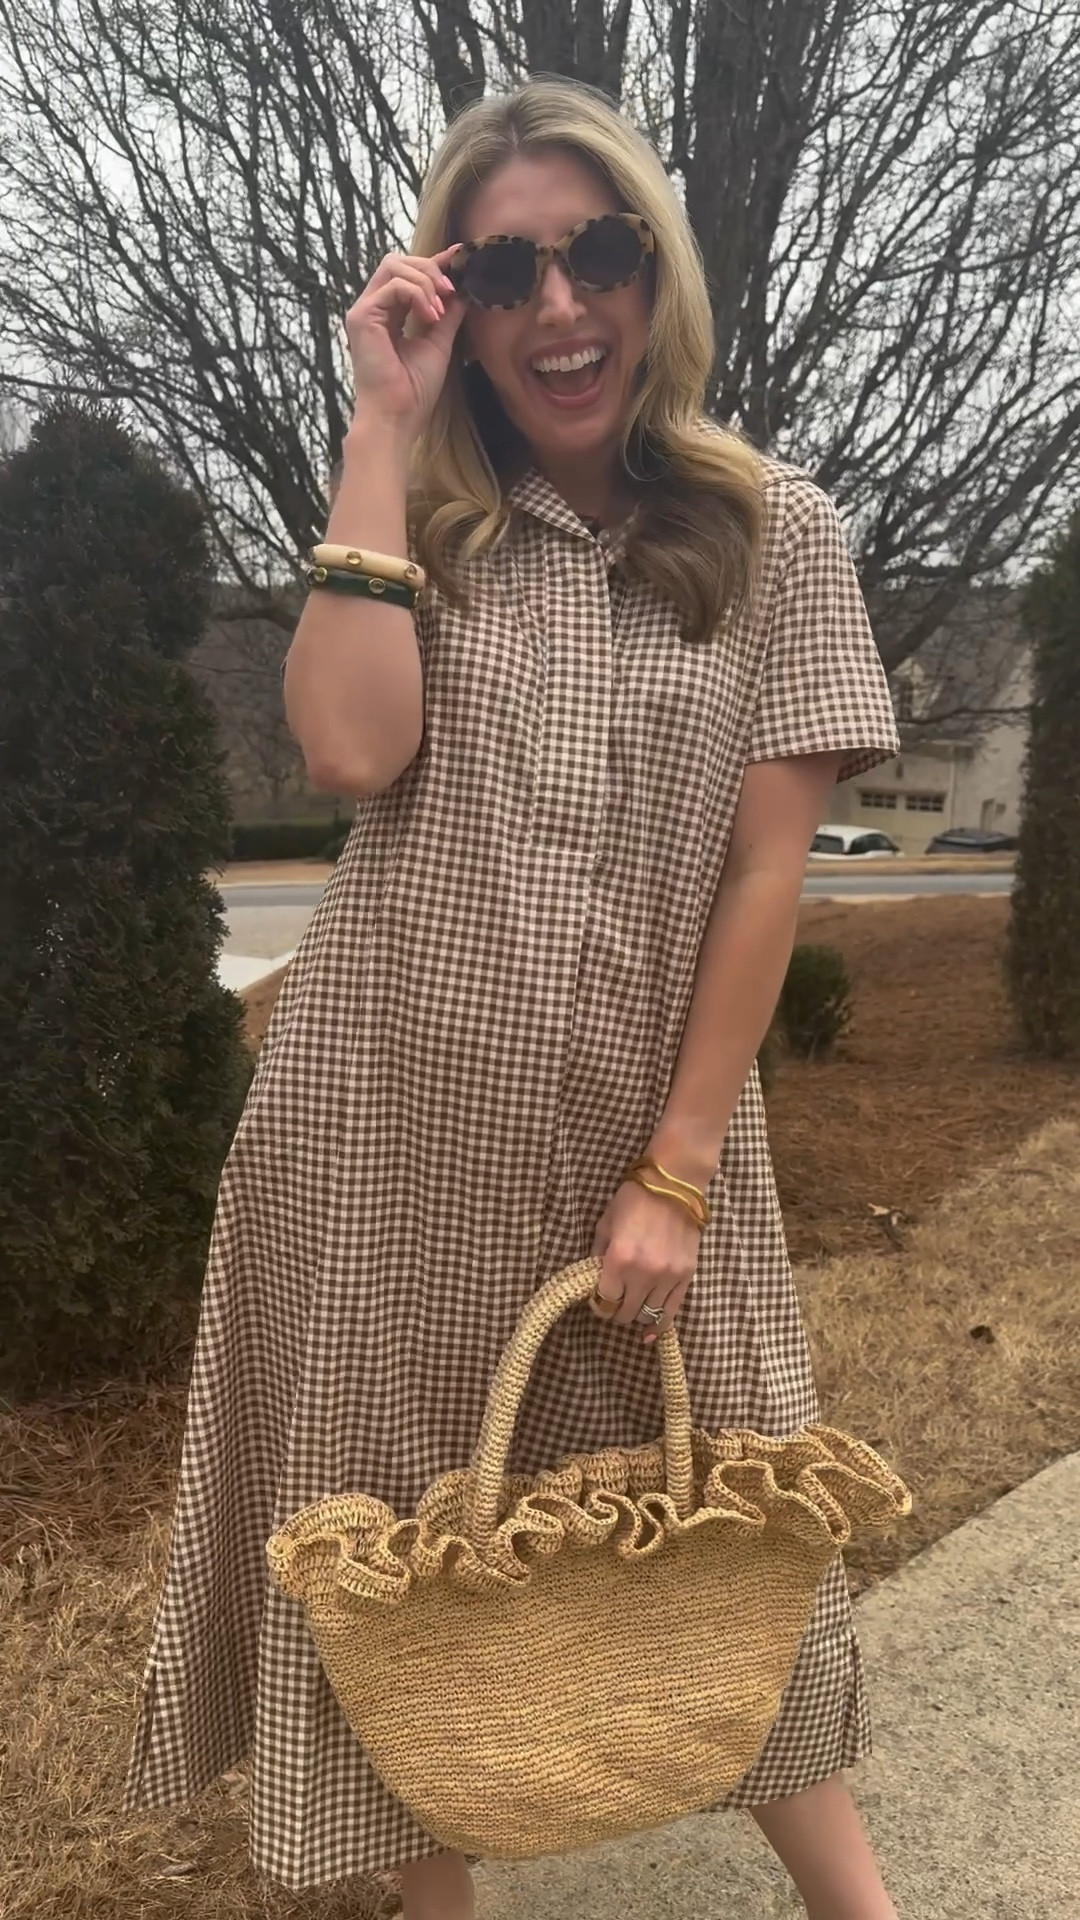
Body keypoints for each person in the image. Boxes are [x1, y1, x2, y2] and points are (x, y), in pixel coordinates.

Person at [124, 76, 902, 1920]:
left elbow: (765, 875)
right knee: (403, 1557)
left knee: (730, 1510)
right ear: (453, 302)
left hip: (651, 1133)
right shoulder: (419, 522)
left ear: (654, 270)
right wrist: (377, 427)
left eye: (599, 252)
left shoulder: (775, 532)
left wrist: (680, 1168)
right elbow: (345, 751)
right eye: (503, 269)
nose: (560, 303)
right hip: (383, 1143)